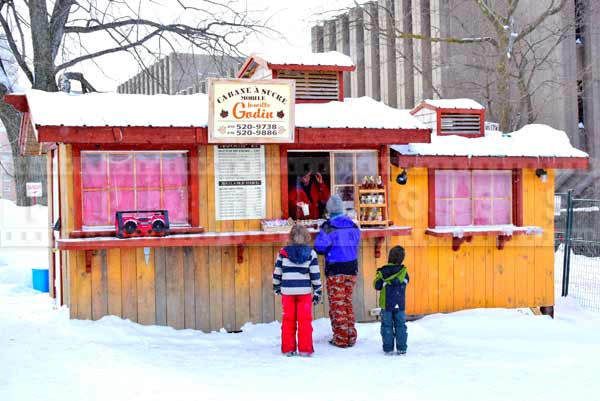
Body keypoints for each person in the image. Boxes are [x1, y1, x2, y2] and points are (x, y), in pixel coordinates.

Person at [314, 195, 361, 348]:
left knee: (337, 305)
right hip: (352, 268)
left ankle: (341, 339)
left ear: (329, 210)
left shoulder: (328, 227)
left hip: (336, 269)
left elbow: (320, 248)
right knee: (346, 302)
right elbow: (356, 241)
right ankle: (350, 336)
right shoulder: (353, 225)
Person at [273, 224, 322, 357]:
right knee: (305, 321)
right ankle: (305, 349)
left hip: (287, 291)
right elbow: (315, 274)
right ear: (306, 237)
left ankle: (288, 349)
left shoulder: (283, 252)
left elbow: (277, 272)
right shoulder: (311, 254)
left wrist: (276, 286)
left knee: (288, 321)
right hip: (304, 292)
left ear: (291, 237)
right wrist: (317, 290)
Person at [373, 245, 410, 355]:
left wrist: (385, 282)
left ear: (389, 257)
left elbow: (376, 285)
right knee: (401, 326)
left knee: (386, 326)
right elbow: (407, 281)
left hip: (386, 305)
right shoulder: (404, 272)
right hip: (400, 304)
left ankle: (388, 349)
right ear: (402, 259)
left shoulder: (383, 272)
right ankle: (402, 348)